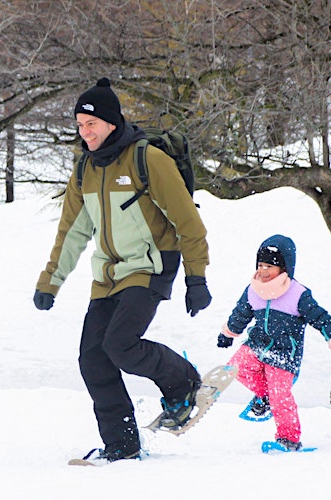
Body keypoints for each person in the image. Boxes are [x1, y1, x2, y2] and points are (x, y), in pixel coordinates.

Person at [34, 78, 211, 462]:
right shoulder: (85, 170)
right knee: (93, 359)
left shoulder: (148, 160)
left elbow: (188, 223)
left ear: (111, 122)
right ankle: (123, 444)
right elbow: (72, 231)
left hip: (151, 265)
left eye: (91, 124)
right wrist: (51, 281)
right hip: (109, 275)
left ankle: (183, 382)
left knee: (120, 345)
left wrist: (196, 278)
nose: (85, 132)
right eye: (80, 125)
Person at [218, 234, 331, 451]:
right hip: (257, 345)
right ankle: (264, 397)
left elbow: (321, 318)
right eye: (260, 265)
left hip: (284, 354)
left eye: (269, 266)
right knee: (237, 368)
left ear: (284, 268)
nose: (262, 271)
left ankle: (289, 439)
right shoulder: (253, 289)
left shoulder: (297, 294)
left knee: (281, 397)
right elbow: (241, 313)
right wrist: (229, 332)